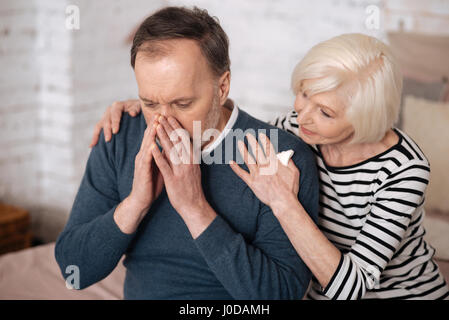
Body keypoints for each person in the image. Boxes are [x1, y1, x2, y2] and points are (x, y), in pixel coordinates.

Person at [94, 33, 449, 299]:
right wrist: (153, 107)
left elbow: (350, 289)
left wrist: (283, 202)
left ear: (366, 119)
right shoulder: (296, 128)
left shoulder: (404, 170)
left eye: (325, 112)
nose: (303, 115)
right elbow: (224, 133)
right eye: (304, 94)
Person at [55, 6, 319, 300]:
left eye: (182, 104)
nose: (163, 121)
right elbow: (72, 270)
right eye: (150, 103)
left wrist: (195, 209)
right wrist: (135, 204)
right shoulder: (119, 135)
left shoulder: (279, 156)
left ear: (222, 87)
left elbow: (281, 294)